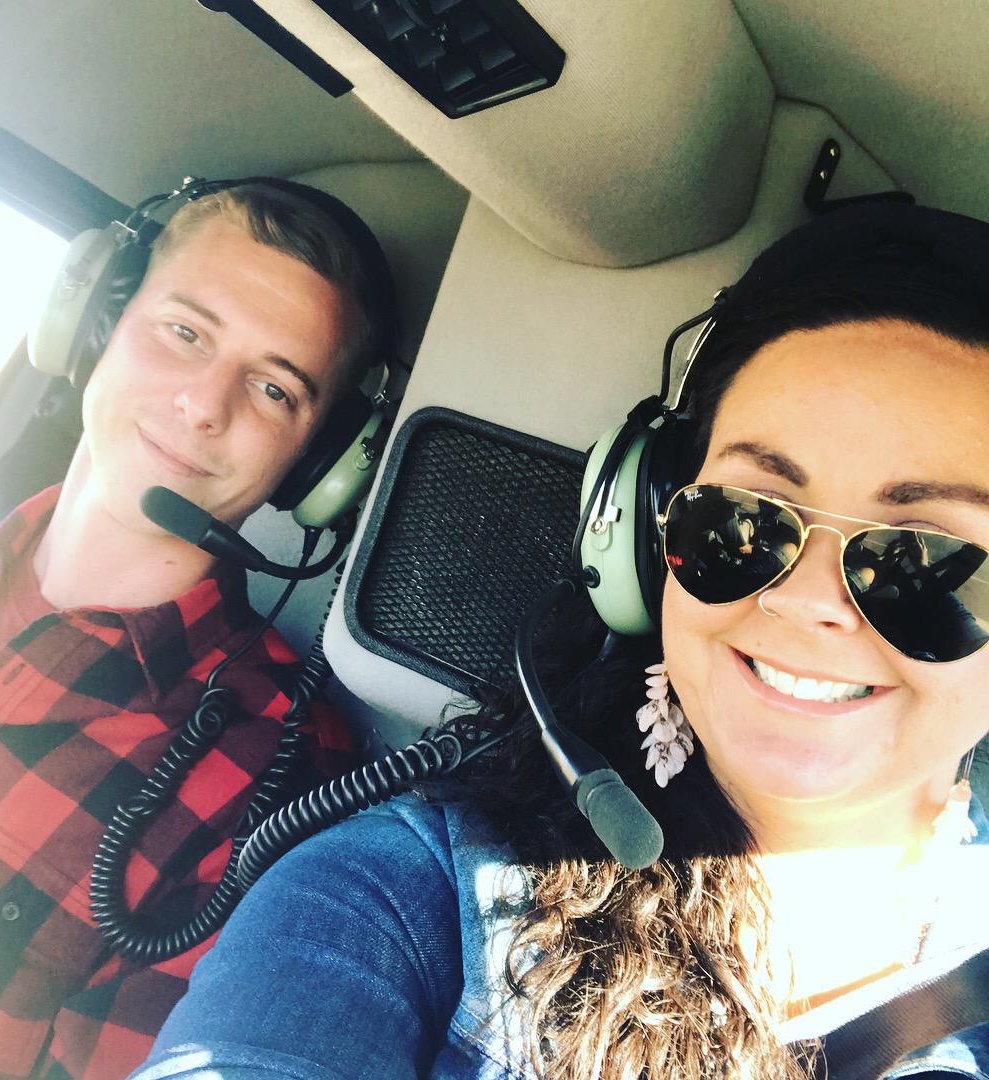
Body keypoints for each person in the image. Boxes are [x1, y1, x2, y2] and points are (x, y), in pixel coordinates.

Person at [132, 201, 989, 1080]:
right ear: (646, 534)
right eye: (745, 517)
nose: (807, 601)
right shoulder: (395, 901)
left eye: (928, 560)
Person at [0, 179, 397, 1080]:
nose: (206, 404)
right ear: (95, 321)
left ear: (317, 467)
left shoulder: (281, 769)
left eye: (274, 388)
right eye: (185, 332)